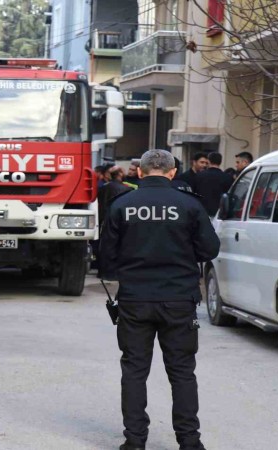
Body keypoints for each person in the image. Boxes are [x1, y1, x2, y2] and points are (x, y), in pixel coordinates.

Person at [100, 149, 220, 450]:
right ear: (173, 172)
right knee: (182, 372)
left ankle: (135, 441)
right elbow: (210, 250)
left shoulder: (121, 204)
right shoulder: (189, 204)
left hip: (135, 299)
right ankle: (190, 442)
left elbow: (106, 259)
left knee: (134, 371)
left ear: (140, 172)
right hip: (179, 299)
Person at [192, 152, 235, 216]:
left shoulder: (199, 176)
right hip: (220, 214)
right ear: (220, 162)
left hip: (202, 212)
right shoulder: (228, 178)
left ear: (208, 161)